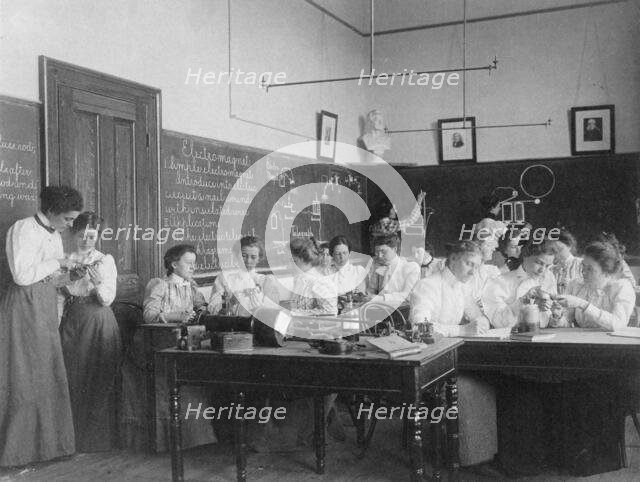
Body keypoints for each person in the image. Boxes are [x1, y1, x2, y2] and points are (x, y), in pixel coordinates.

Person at [0, 185, 82, 466]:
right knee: (24, 374)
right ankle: (17, 452)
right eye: (67, 219)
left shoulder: (54, 234)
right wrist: (58, 261)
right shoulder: (23, 229)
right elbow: (22, 276)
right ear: (51, 211)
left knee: (47, 372)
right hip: (24, 306)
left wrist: (70, 273)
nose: (70, 225)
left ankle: (47, 448)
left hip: (45, 304)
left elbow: (49, 276)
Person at [410, 241, 495, 468]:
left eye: (476, 266)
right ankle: (461, 456)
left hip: (452, 355)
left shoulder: (461, 286)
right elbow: (420, 326)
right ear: (454, 258)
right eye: (469, 263)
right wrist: (462, 330)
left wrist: (481, 320)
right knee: (471, 385)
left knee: (494, 378)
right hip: (430, 361)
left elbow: (476, 313)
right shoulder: (428, 285)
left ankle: (483, 453)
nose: (472, 271)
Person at [142, 244, 215, 451]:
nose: (193, 267)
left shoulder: (191, 285)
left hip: (188, 343)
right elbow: (149, 315)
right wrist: (176, 316)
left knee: (194, 386)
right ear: (174, 264)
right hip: (164, 343)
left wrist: (202, 311)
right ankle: (169, 443)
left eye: (194, 263)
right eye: (188, 263)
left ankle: (195, 440)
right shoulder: (159, 285)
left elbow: (201, 306)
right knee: (169, 388)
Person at [59, 212, 121, 452]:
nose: (86, 240)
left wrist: (96, 283)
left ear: (97, 235)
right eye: (82, 235)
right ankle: (72, 441)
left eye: (91, 235)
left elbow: (107, 299)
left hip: (98, 321)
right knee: (72, 376)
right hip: (72, 320)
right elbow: (58, 293)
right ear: (75, 234)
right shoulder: (64, 259)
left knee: (98, 377)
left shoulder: (105, 260)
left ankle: (97, 441)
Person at [554, 241, 635, 331]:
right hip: (582, 340)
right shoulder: (576, 285)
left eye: (590, 269)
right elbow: (567, 320)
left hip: (612, 342)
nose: (583, 272)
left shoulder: (622, 288)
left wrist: (582, 304)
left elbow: (617, 324)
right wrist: (557, 316)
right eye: (583, 266)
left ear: (606, 271)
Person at [482, 236, 557, 328]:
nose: (542, 270)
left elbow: (549, 320)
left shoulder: (548, 278)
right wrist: (523, 301)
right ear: (525, 256)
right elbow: (498, 321)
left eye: (547, 266)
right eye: (538, 263)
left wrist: (556, 313)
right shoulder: (499, 282)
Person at [208, 236, 280, 316]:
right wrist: (230, 303)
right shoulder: (224, 279)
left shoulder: (266, 281)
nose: (248, 261)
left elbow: (272, 312)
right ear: (236, 255)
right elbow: (212, 309)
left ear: (259, 258)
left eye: (253, 257)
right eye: (244, 256)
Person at [366, 234, 420, 305]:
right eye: (377, 252)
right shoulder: (375, 265)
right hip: (378, 309)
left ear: (395, 249)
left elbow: (408, 296)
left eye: (383, 251)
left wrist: (381, 298)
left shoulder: (411, 267)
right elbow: (371, 291)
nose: (379, 256)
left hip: (402, 311)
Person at [289, 237, 338, 315]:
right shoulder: (298, 279)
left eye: (294, 261)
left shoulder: (321, 282)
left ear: (303, 259)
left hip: (320, 326)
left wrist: (298, 314)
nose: (289, 265)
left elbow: (330, 312)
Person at [549, 228, 583, 294]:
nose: (557, 253)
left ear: (569, 246)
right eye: (553, 250)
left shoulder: (581, 263)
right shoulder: (551, 269)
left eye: (560, 249)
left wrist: (572, 285)